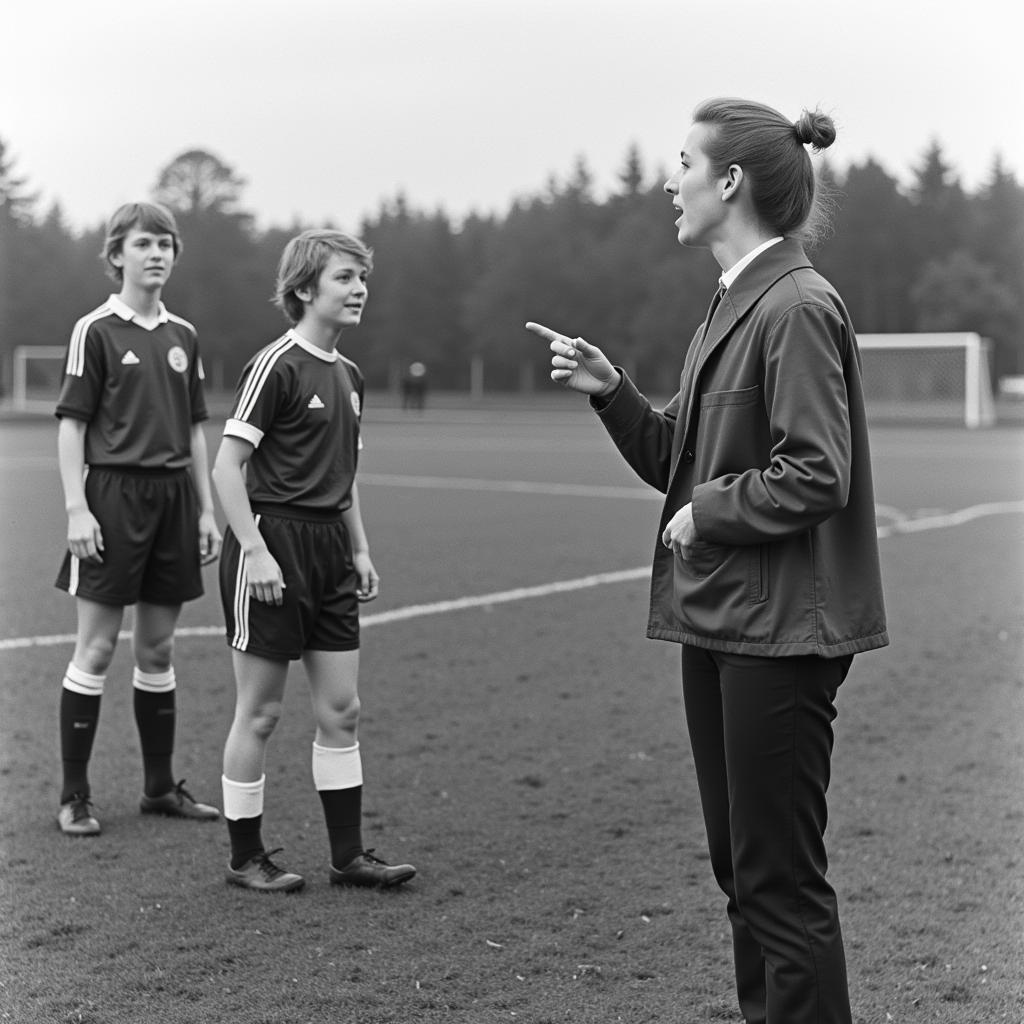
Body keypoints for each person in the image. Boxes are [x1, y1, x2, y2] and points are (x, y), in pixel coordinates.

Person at [527, 98, 888, 1024]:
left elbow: (816, 474)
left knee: (780, 884)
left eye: (680, 161)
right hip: (726, 618)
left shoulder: (799, 305)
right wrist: (614, 394)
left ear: (729, 182)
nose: (666, 181)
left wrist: (708, 514)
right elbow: (675, 462)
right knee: (744, 874)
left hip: (782, 633)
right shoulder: (733, 303)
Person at [212, 228, 416, 893]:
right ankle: (246, 859)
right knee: (261, 713)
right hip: (273, 545)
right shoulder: (277, 365)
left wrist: (358, 546)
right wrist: (256, 552)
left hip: (330, 549)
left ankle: (348, 857)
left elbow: (344, 472)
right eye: (344, 279)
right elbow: (225, 468)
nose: (359, 290)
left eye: (363, 278)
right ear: (304, 289)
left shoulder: (350, 375)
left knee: (342, 710)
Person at [54, 201, 222, 837]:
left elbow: (196, 430)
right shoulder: (94, 329)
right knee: (95, 648)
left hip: (175, 499)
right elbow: (72, 426)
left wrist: (206, 509)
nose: (157, 254)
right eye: (144, 243)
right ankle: (74, 795)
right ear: (117, 254)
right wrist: (77, 509)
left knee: (158, 647)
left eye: (167, 245)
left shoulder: (184, 335)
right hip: (112, 498)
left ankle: (158, 788)